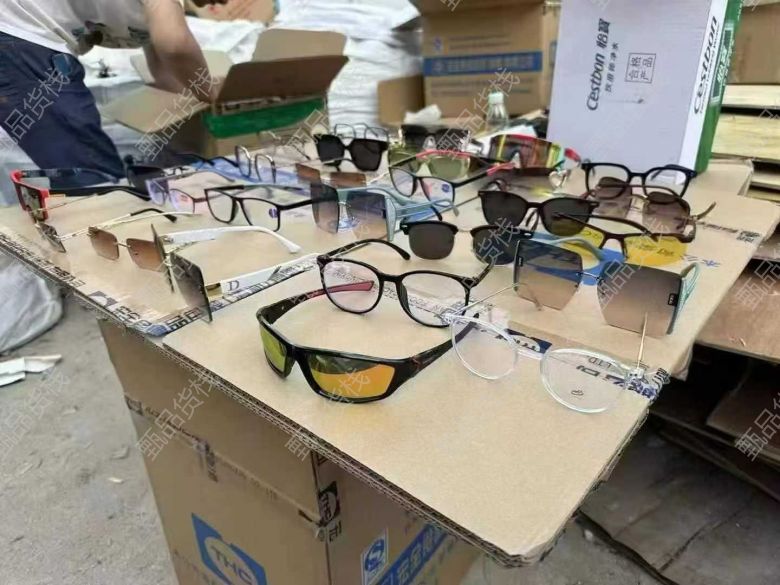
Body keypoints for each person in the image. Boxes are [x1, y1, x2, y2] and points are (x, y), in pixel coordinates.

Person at [0, 0, 227, 183]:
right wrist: (209, 91)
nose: (224, 2)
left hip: (20, 39)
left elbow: (163, 68)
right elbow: (175, 45)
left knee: (88, 171)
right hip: (18, 35)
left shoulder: (157, 11)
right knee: (95, 179)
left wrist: (194, 103)